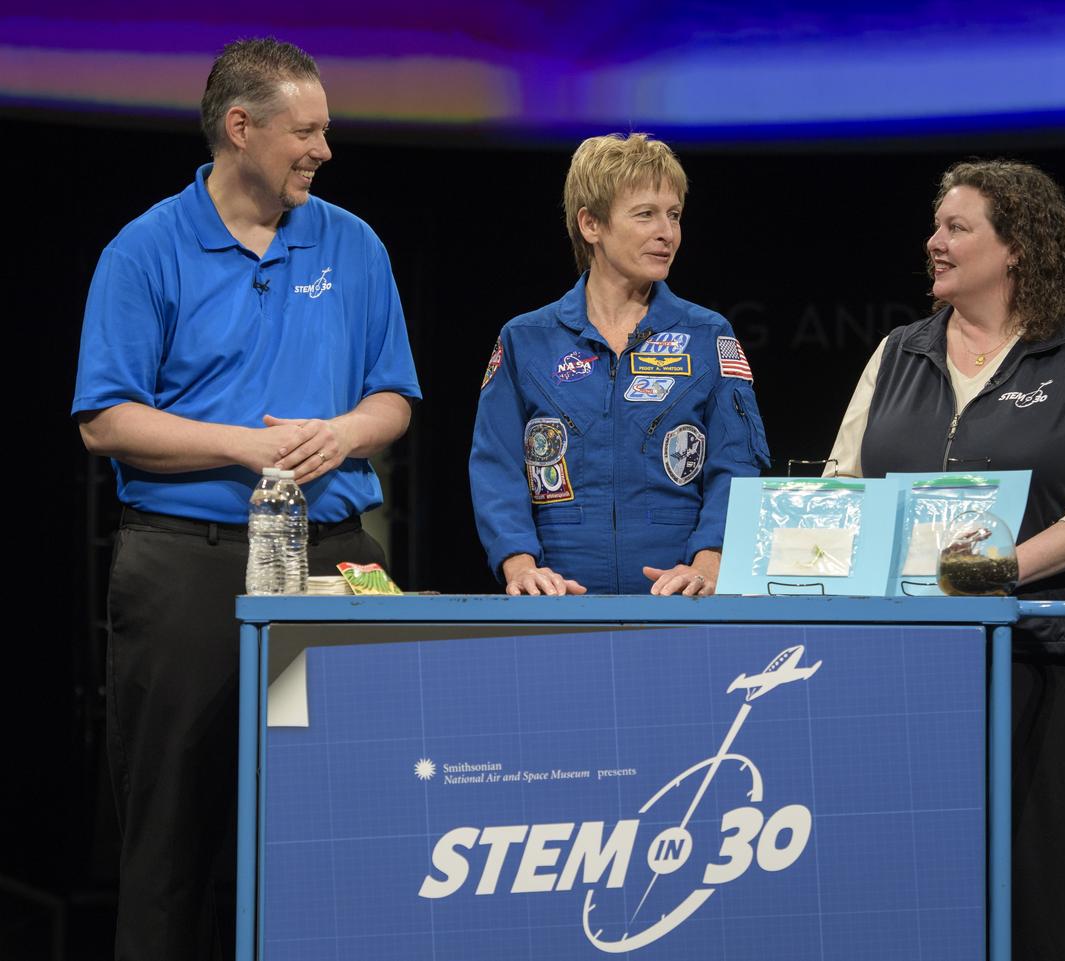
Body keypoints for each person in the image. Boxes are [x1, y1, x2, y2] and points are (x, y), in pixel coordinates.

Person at [71, 39, 420, 960]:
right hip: (189, 562)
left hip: (336, 553)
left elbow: (394, 398)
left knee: (352, 814)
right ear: (241, 128)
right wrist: (247, 445)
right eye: (306, 131)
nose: (324, 150)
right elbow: (104, 420)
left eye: (327, 131)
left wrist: (343, 432)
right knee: (172, 827)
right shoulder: (144, 249)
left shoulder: (354, 243)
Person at [826, 159, 1065, 960]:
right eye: (936, 226)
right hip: (901, 665)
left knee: (1034, 900)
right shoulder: (898, 353)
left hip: (1040, 661)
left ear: (1014, 249)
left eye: (956, 227)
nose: (932, 242)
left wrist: (993, 573)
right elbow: (841, 485)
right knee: (908, 889)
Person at [470, 133, 769, 596]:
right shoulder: (525, 339)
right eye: (645, 214)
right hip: (558, 604)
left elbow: (737, 465)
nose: (666, 233)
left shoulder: (709, 336)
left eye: (673, 215)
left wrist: (710, 562)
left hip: (679, 607)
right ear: (591, 224)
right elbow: (497, 467)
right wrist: (519, 566)